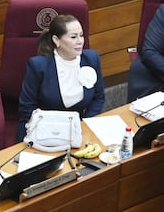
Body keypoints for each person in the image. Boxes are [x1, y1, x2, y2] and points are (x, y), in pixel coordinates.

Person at [17, 14, 105, 142]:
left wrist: (85, 125)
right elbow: (27, 107)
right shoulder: (38, 66)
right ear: (56, 40)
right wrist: (54, 132)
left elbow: (98, 97)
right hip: (43, 130)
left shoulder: (91, 58)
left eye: (81, 35)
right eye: (73, 37)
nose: (80, 41)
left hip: (78, 129)